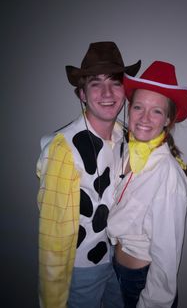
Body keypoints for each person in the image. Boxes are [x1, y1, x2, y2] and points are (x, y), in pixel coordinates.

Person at [36, 41, 141, 308]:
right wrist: (53, 298)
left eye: (115, 82)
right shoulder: (63, 150)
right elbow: (54, 236)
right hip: (82, 268)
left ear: (124, 90)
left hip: (119, 261)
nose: (107, 92)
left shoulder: (127, 137)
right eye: (96, 83)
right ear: (82, 94)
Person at [106, 60, 187, 308]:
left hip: (142, 283)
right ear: (128, 109)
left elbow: (166, 259)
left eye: (156, 111)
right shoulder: (126, 151)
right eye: (138, 107)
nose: (144, 117)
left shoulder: (167, 176)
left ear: (168, 119)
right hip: (116, 271)